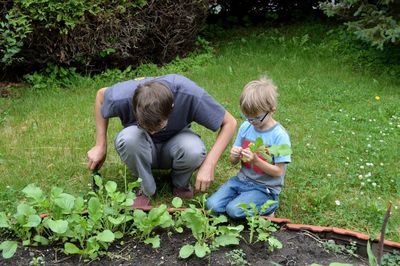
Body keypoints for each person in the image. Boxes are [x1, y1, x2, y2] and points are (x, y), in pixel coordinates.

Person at [87, 74, 237, 209]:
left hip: (176, 144)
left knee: (194, 149)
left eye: (158, 126)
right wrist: (100, 145)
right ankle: (145, 188)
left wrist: (209, 164)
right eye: (146, 126)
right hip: (142, 145)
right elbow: (101, 97)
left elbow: (230, 122)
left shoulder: (188, 93)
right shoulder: (122, 95)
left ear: (171, 108)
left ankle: (180, 184)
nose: (153, 132)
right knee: (127, 138)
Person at [206, 77, 291, 218]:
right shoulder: (246, 127)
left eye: (256, 118)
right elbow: (232, 161)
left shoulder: (280, 136)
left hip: (265, 187)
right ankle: (244, 199)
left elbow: (278, 172)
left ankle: (270, 204)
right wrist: (234, 155)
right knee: (212, 205)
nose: (252, 122)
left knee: (234, 211)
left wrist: (256, 161)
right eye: (247, 117)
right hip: (242, 180)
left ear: (272, 110)